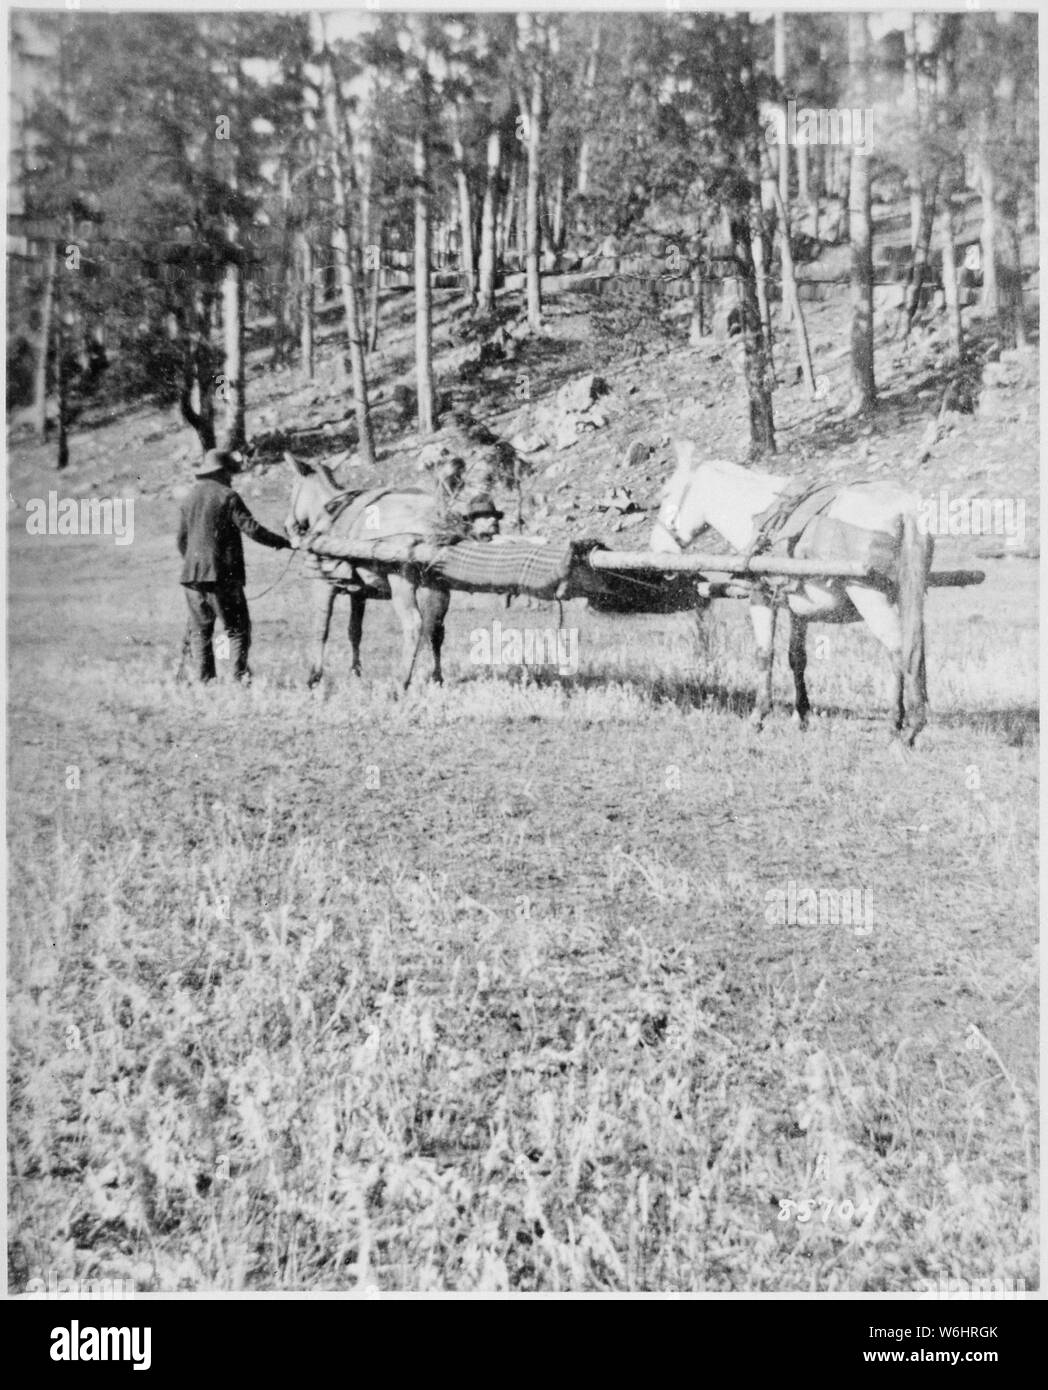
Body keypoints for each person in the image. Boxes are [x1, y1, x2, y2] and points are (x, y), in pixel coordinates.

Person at [177, 448, 291, 683]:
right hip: (222, 578)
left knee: (200, 632)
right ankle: (238, 680)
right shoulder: (228, 496)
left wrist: (195, 565)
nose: (231, 477)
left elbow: (181, 540)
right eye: (229, 472)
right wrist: (282, 542)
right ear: (221, 472)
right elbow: (252, 529)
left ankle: (204, 683)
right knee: (237, 629)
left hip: (192, 579)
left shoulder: (188, 499)